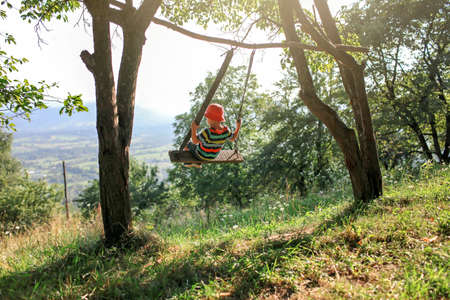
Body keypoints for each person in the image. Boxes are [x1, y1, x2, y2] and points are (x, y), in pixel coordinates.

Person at [184, 103, 241, 168]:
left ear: (211, 119)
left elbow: (195, 141)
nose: (206, 119)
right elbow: (232, 138)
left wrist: (193, 129)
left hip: (201, 155)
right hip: (213, 157)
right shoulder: (226, 131)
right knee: (201, 145)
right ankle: (198, 163)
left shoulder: (207, 132)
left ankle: (188, 163)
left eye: (207, 118)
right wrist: (238, 127)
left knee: (188, 144)